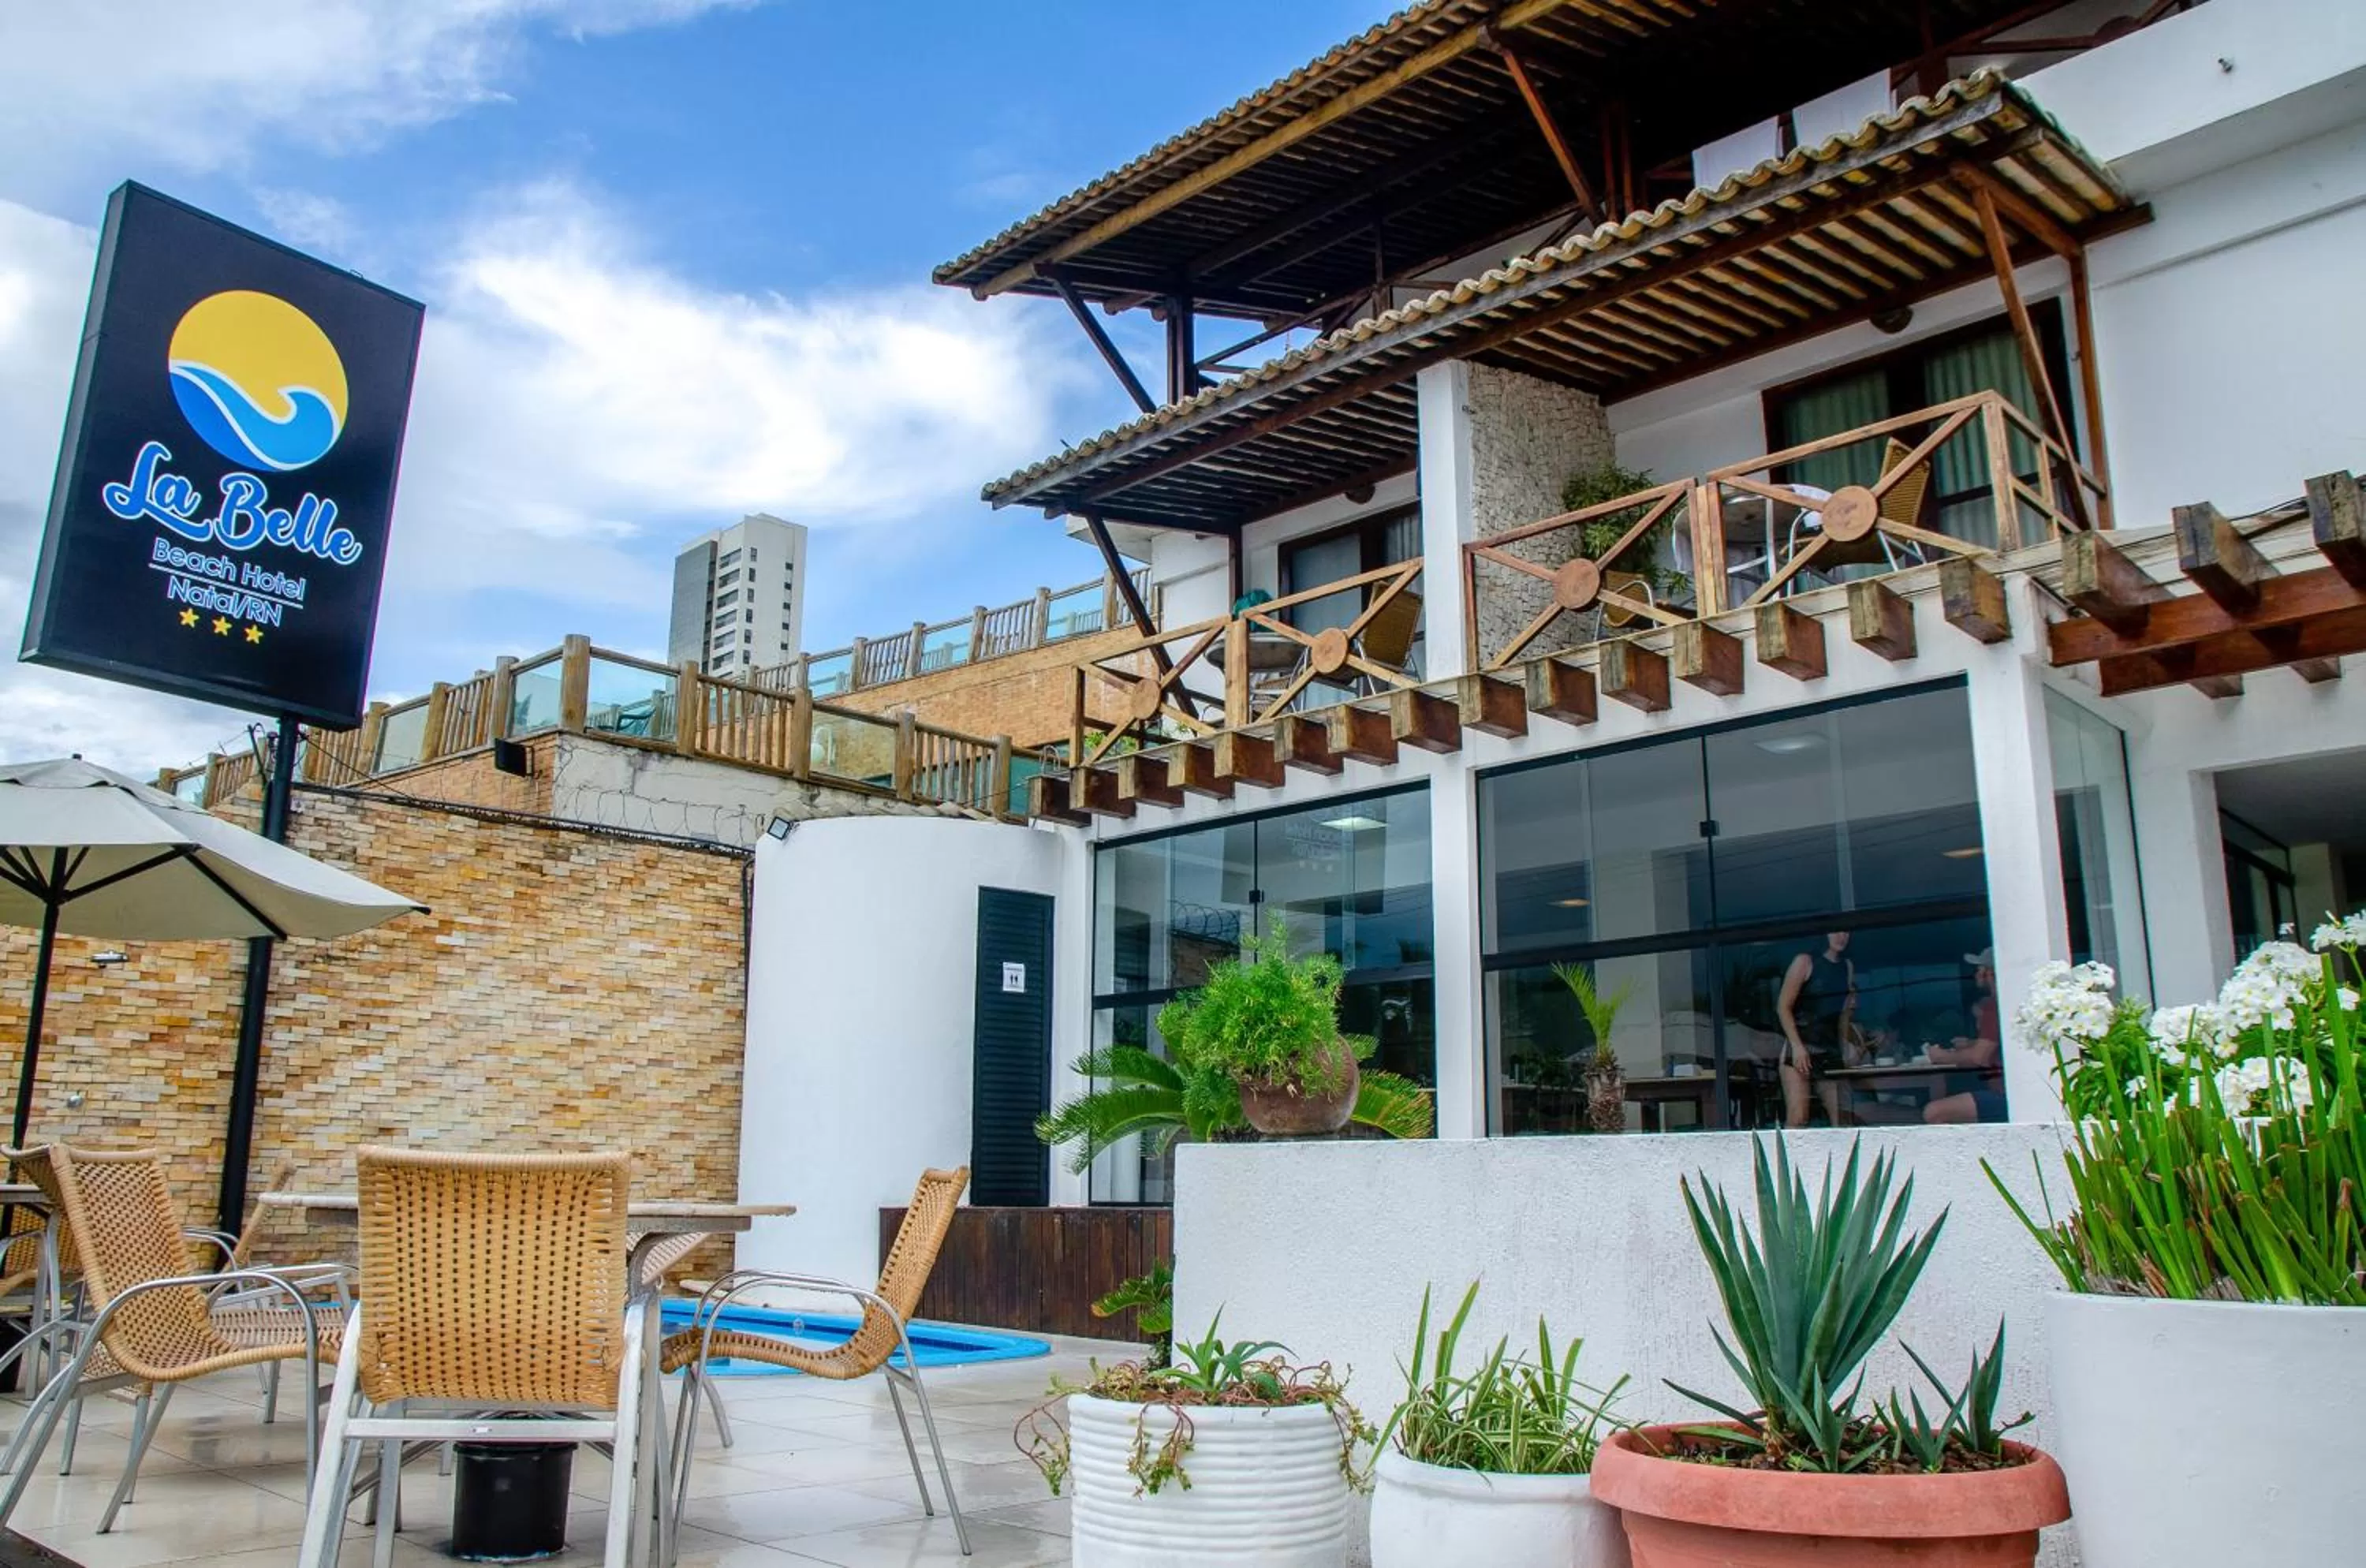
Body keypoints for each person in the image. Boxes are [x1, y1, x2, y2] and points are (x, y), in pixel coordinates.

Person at [1776, 931, 1853, 1128]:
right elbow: (1783, 1007)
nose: (1841, 936)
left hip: (1829, 1049)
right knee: (1798, 1117)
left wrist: (1845, 1048)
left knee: (1841, 1118)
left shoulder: (1847, 967)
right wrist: (1797, 1046)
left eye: (1846, 932)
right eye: (1835, 931)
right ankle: (1788, 1158)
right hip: (1801, 1045)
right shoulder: (1805, 962)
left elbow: (1843, 1014)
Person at [1924, 947, 2006, 1124]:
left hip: (2006, 1096)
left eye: (1979, 969)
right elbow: (1997, 1046)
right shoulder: (2006, 1001)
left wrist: (1942, 1057)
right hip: (2008, 1090)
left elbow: (1979, 1058)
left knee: (1934, 1112)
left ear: (1988, 973)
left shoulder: (1993, 1006)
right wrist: (1971, 1043)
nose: (1976, 974)